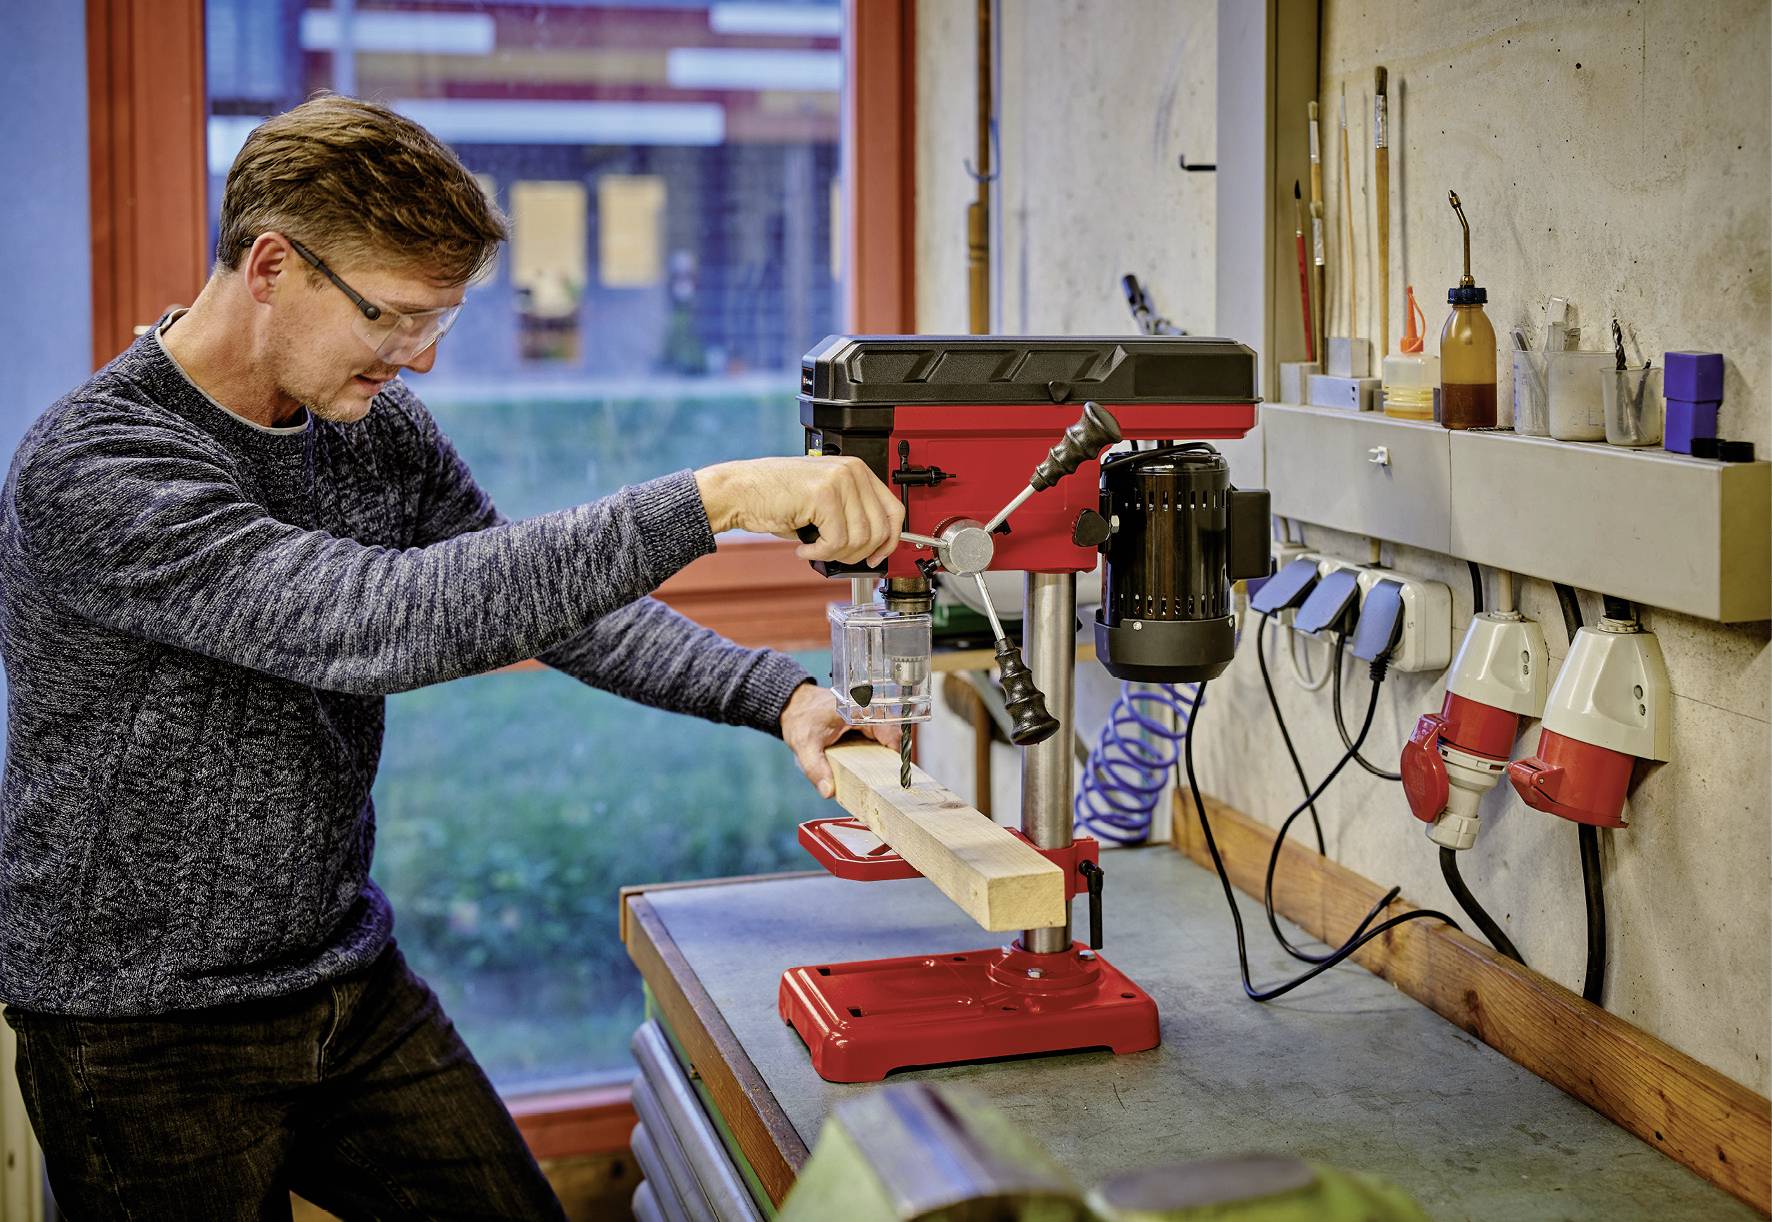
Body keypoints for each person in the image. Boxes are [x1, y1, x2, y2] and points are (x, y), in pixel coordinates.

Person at [0, 93, 902, 1219]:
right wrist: (714, 499)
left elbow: (539, 603)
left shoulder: (367, 427)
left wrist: (780, 693)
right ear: (271, 265)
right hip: (138, 1026)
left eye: (442, 320)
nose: (417, 356)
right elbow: (373, 617)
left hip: (338, 973)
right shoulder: (95, 466)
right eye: (394, 315)